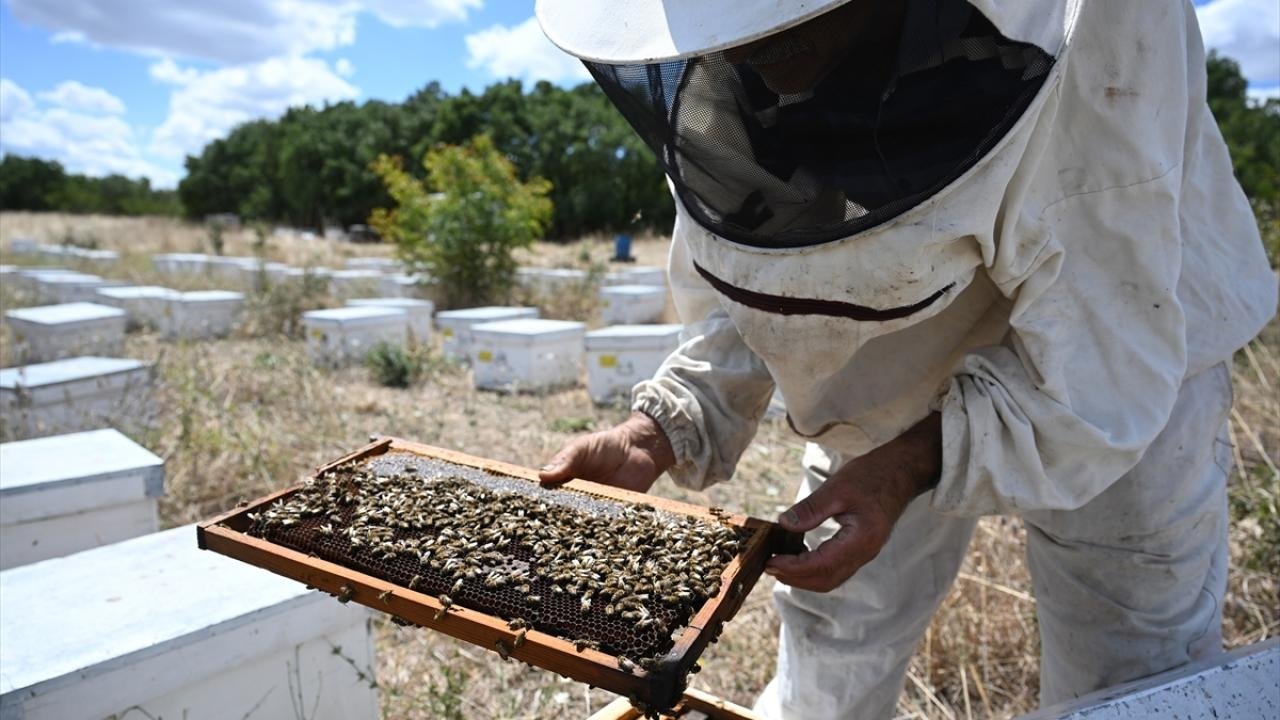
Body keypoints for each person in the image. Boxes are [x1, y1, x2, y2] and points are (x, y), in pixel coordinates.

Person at [534, 0, 1278, 717]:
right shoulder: (731, 77)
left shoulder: (1098, 32)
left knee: (1125, 676)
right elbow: (767, 278)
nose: (743, 52)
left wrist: (911, 465)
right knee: (836, 632)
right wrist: (662, 428)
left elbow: (1106, 367)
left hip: (1126, 330)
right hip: (887, 356)